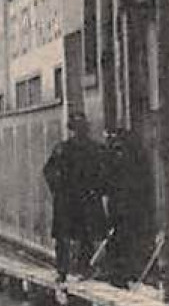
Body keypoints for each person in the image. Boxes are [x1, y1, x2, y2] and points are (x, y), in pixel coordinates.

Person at [43, 112, 106, 282]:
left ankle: (79, 269)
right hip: (69, 199)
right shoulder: (63, 149)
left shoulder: (94, 149)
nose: (79, 132)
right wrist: (57, 189)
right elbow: (49, 171)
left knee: (83, 235)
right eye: (77, 128)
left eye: (81, 128)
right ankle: (65, 270)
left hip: (82, 198)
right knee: (67, 236)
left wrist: (97, 190)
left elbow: (104, 173)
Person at [101, 127, 155, 287]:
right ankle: (127, 273)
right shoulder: (138, 157)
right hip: (131, 205)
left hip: (122, 205)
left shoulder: (115, 157)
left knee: (121, 238)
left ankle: (120, 274)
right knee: (128, 238)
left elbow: (106, 181)